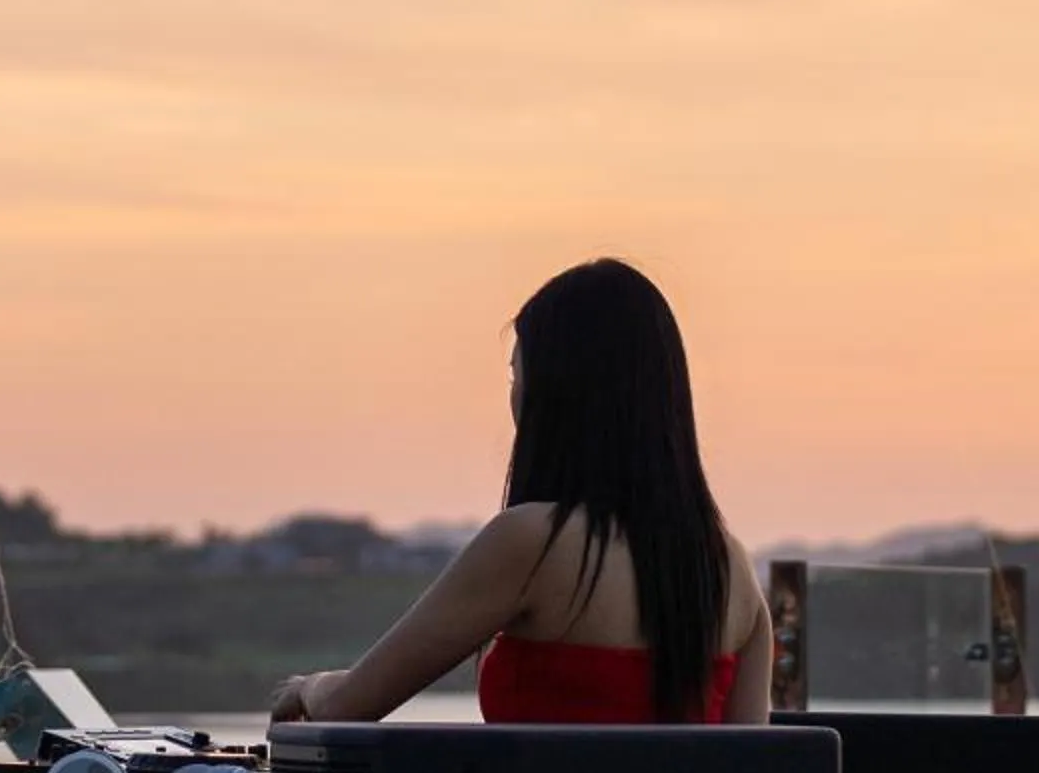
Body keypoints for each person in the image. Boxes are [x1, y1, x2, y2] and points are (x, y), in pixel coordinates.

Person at [267, 258, 774, 727]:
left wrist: (309, 687)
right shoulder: (732, 571)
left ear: (556, 391)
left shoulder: (534, 542)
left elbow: (350, 706)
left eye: (517, 372)